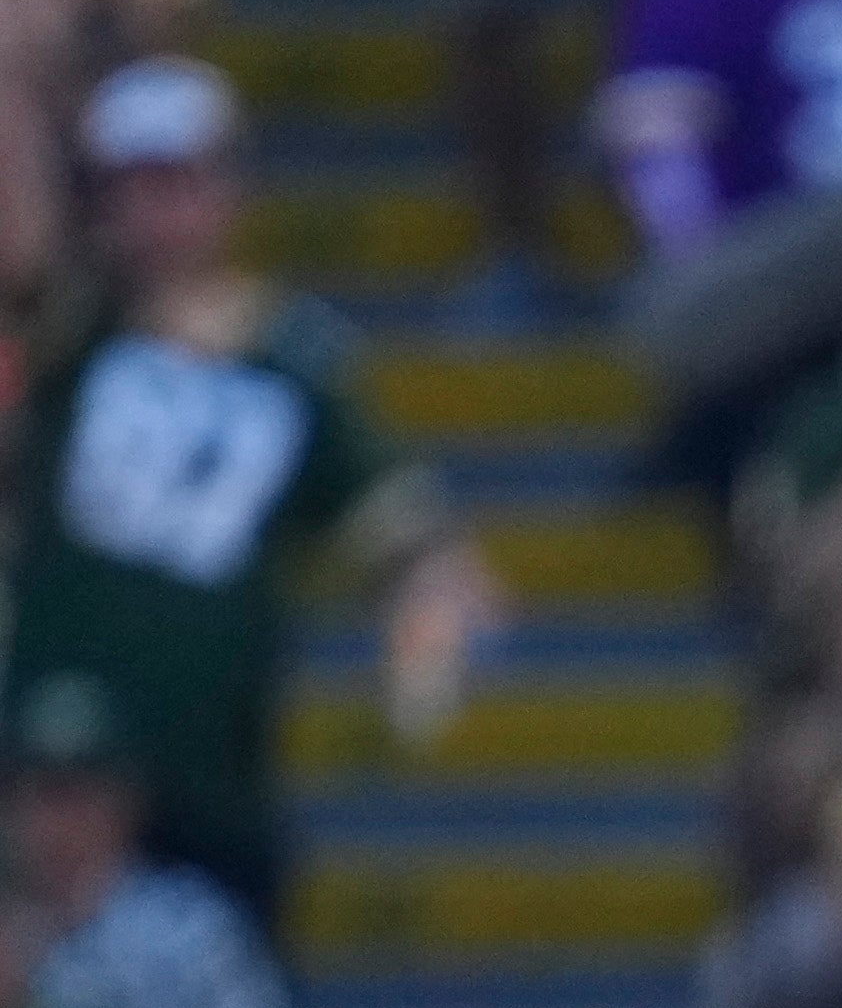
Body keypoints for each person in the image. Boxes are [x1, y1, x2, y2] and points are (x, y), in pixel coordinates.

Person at [6, 63, 497, 935]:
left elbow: (404, 531)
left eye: (180, 184)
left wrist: (430, 619)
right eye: (135, 189)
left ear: (228, 190)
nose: (159, 216)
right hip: (48, 776)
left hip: (215, 783)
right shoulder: (66, 338)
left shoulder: (294, 361)